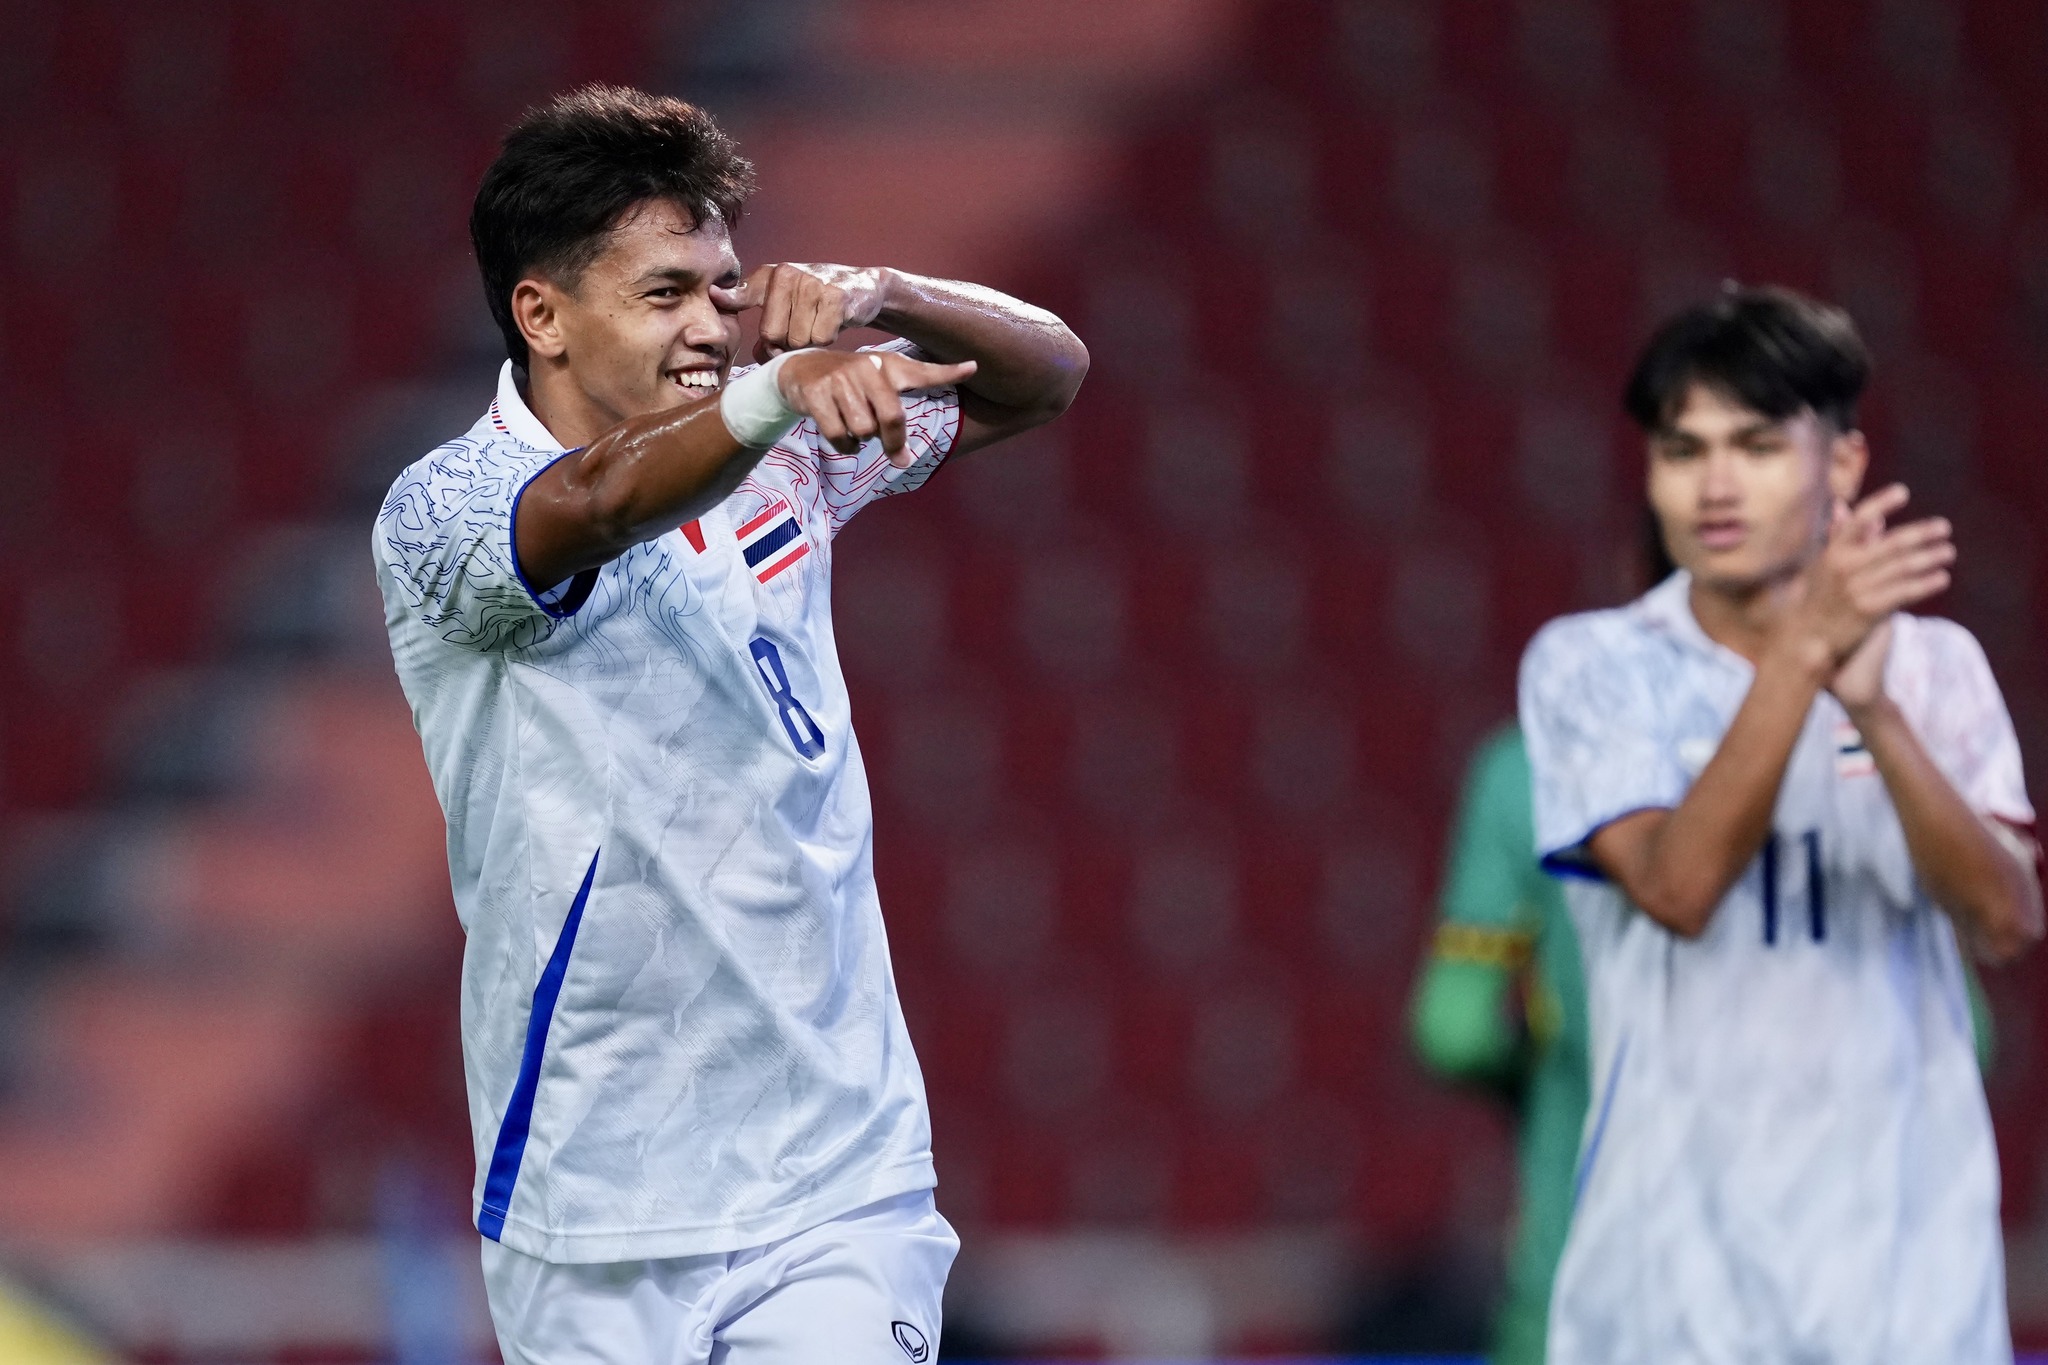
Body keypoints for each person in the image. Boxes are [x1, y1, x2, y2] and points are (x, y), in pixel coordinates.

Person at [371, 85, 1086, 1365]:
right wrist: (777, 392)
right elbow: (593, 506)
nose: (711, 324)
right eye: (665, 295)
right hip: (592, 1205)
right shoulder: (442, 511)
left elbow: (1044, 376)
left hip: (838, 1177)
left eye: (720, 287)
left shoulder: (786, 447)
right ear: (541, 313)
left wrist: (882, 292)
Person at [1519, 285, 2041, 1364]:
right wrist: (1804, 654)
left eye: (1756, 446)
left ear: (1841, 465)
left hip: (1909, 1294)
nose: (1714, 485)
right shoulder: (1591, 665)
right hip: (1666, 1298)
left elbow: (2004, 922)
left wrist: (1875, 712)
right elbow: (1675, 889)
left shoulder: (1937, 669)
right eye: (1682, 450)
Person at [1411, 722, 1589, 1365]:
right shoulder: (1823, 747)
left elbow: (1453, 1029)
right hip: (1795, 1255)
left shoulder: (1527, 768)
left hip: (1574, 1258)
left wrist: (1543, 1083)